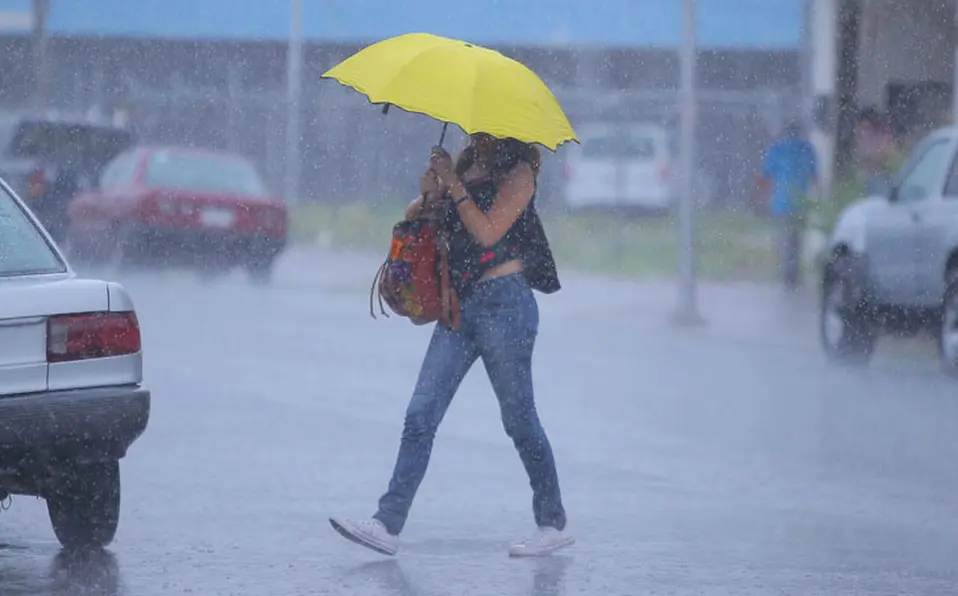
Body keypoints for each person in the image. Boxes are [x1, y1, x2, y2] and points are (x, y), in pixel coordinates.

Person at [329, 133, 572, 558]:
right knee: (421, 413)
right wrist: (429, 193)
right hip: (459, 305)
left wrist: (452, 184)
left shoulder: (520, 174)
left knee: (518, 420)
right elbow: (416, 215)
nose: (473, 133)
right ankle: (387, 524)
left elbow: (488, 233)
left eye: (482, 126)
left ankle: (552, 523)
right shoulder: (462, 165)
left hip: (506, 304)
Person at [759, 120, 819, 291]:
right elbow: (815, 178)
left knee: (784, 240)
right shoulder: (808, 150)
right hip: (800, 202)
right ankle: (794, 275)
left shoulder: (778, 149)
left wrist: (762, 196)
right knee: (796, 241)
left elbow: (766, 175)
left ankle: (786, 275)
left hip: (782, 203)